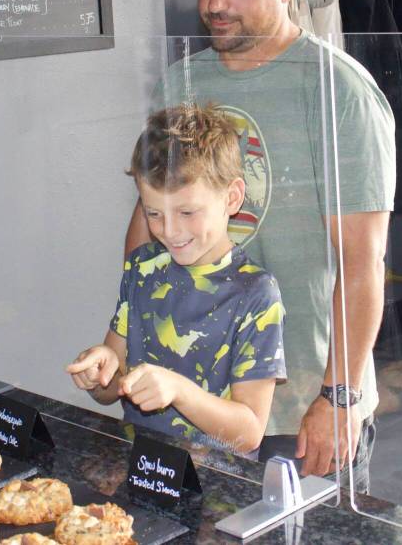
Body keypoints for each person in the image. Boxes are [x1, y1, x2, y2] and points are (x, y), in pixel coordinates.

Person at [126, 0, 395, 493]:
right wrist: (128, 341)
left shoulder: (339, 90)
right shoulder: (180, 81)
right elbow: (147, 222)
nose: (215, 3)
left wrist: (339, 397)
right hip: (191, 395)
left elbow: (362, 262)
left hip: (299, 407)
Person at [67, 103, 286, 454]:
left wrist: (179, 391)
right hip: (142, 464)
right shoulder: (142, 268)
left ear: (232, 198)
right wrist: (100, 372)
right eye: (154, 213)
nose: (169, 230)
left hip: (216, 480)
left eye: (186, 211)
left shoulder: (256, 294)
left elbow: (248, 433)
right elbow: (112, 389)